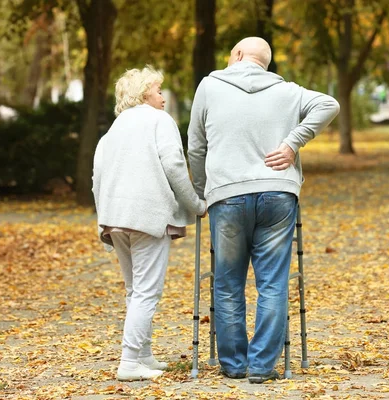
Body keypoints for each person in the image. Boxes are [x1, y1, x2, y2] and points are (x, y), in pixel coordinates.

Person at [187, 37, 340, 383]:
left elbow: (196, 147)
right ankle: (261, 366)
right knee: (272, 283)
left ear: (238, 55)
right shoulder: (287, 91)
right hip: (277, 194)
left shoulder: (209, 86)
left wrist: (202, 193)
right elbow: (329, 105)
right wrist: (292, 143)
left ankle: (234, 364)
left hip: (226, 195)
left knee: (227, 284)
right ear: (264, 63)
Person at [92, 66, 207, 382]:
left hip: (114, 218)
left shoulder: (113, 130)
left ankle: (142, 355)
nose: (163, 98)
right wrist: (196, 205)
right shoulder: (159, 121)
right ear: (144, 93)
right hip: (147, 216)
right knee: (146, 292)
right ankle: (129, 362)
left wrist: (105, 213)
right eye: (158, 91)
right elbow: (174, 165)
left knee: (134, 290)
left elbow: (96, 177)